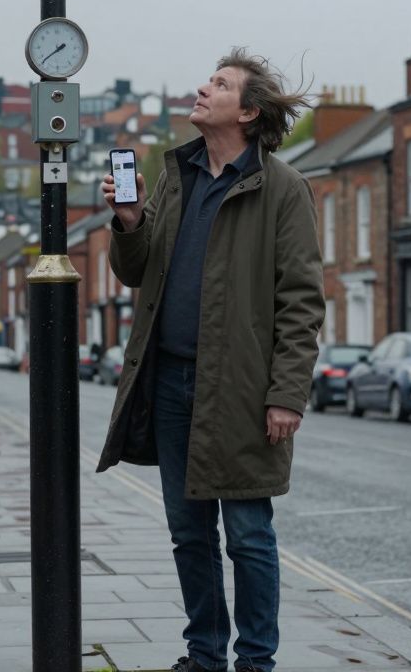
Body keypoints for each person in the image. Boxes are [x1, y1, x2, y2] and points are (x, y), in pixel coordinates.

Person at [96, 49, 324, 672]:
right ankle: (203, 654)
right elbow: (136, 272)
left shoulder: (283, 189)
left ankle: (255, 661)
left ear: (248, 111)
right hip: (168, 382)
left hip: (243, 392)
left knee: (249, 536)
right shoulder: (177, 176)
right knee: (189, 533)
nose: (202, 88)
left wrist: (287, 394)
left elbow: (302, 303)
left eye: (219, 84)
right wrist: (130, 219)